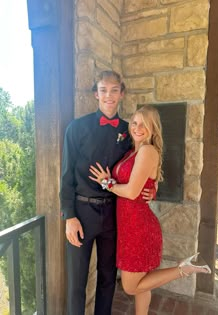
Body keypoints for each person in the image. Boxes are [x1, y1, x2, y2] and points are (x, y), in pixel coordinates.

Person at [89, 105, 211, 315]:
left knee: (131, 286)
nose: (137, 128)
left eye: (144, 125)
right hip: (130, 226)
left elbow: (130, 192)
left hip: (138, 228)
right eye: (134, 123)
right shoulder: (132, 151)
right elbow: (143, 183)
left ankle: (184, 269)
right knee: (142, 283)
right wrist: (151, 188)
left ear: (153, 129)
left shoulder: (147, 151)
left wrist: (105, 183)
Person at [60, 70, 154, 315]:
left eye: (114, 90)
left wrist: (151, 188)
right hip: (81, 213)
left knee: (108, 278)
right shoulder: (76, 128)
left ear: (121, 94)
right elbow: (66, 176)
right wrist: (69, 216)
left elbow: (145, 161)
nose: (109, 96)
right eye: (103, 90)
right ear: (96, 94)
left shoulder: (130, 131)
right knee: (76, 283)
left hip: (115, 214)